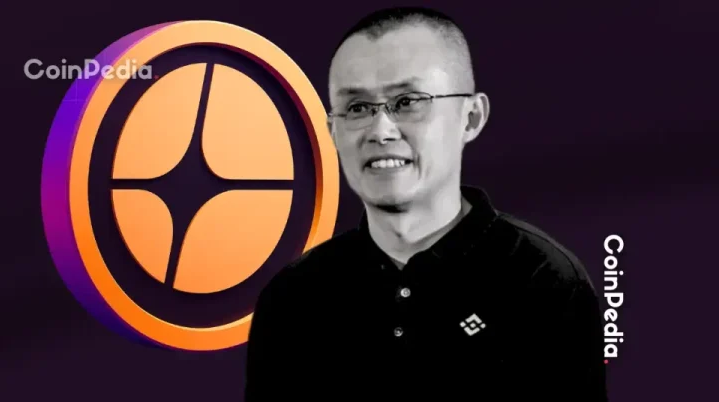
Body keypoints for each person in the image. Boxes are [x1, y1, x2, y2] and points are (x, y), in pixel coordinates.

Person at [244, 6, 607, 402]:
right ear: (333, 131)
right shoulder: (292, 299)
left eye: (407, 101)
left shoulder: (545, 282)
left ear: (471, 117)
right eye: (358, 108)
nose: (381, 131)